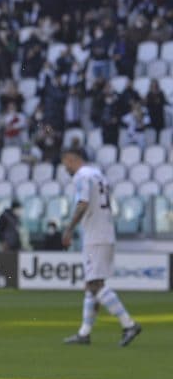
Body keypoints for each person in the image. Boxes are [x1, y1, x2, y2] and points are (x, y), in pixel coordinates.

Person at [60, 147, 142, 347]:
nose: (65, 168)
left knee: (94, 285)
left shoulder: (81, 176)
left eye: (65, 164)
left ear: (72, 159)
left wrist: (69, 229)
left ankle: (129, 324)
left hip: (95, 236)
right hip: (105, 232)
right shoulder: (98, 174)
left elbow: (83, 203)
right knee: (92, 286)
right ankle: (84, 333)